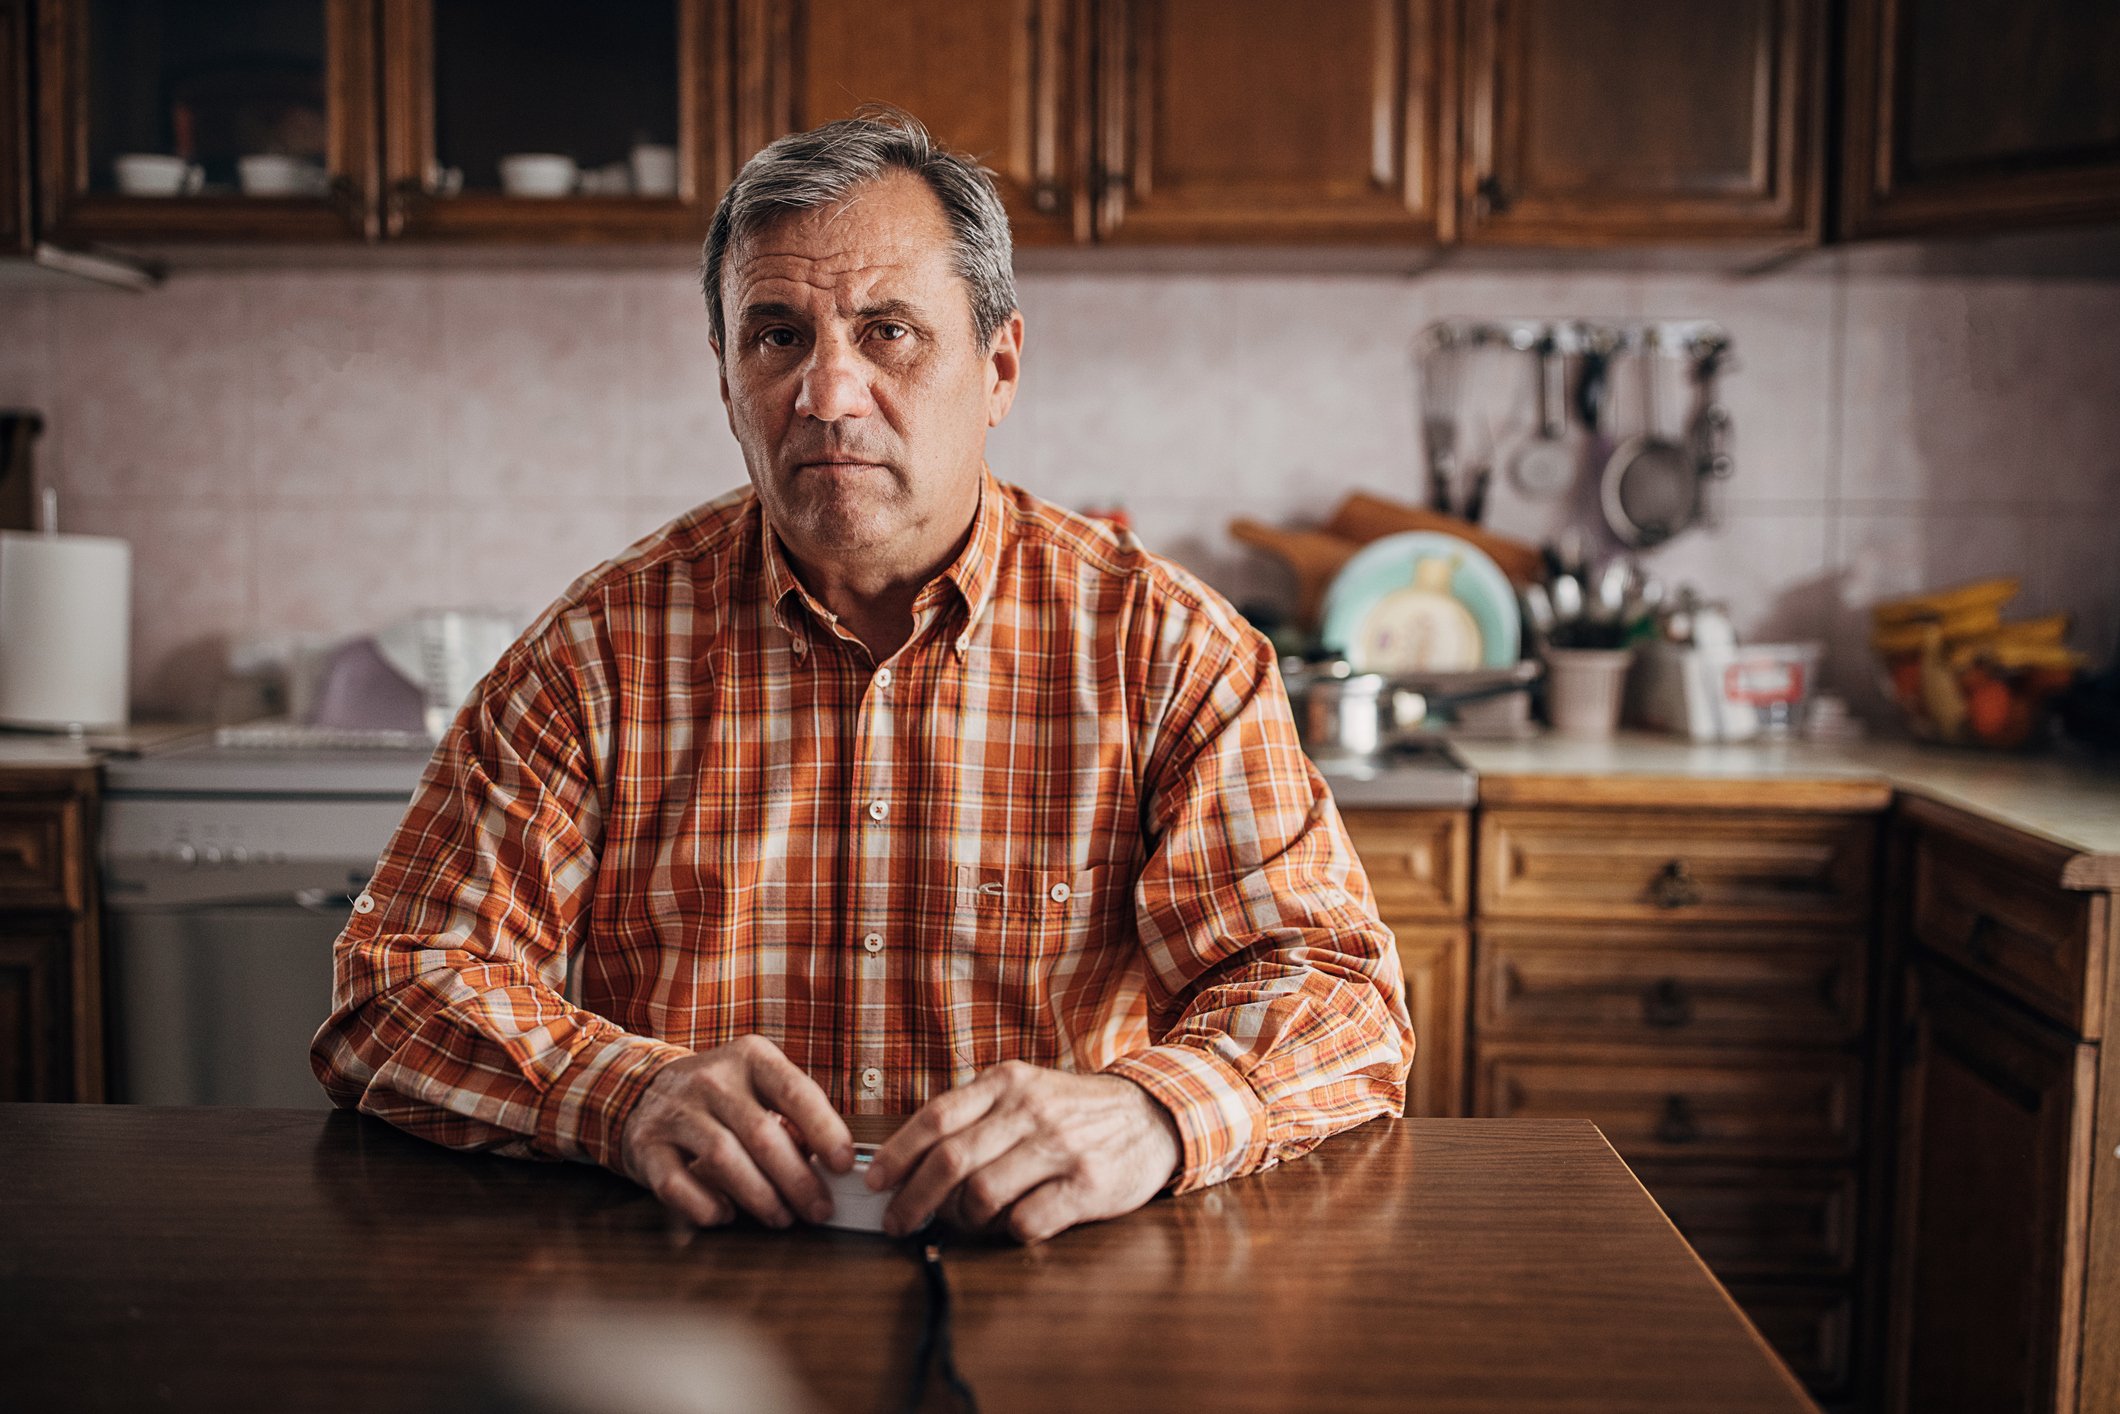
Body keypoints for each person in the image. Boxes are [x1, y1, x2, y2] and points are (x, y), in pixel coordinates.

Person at [311, 110, 1413, 1246]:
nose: (826, 395)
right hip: (693, 1276)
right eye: (777, 336)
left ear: (997, 368)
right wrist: (623, 1094)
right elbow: (398, 985)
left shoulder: (1168, 650)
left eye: (888, 332)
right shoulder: (596, 651)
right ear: (726, 377)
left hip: (1051, 1279)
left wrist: (1152, 1111)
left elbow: (1336, 993)